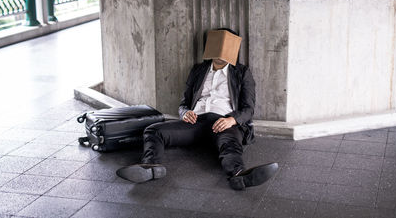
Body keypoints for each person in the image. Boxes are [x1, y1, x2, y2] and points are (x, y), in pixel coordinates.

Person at [116, 28, 278, 190]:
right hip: (195, 121)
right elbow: (183, 103)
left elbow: (249, 109)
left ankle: (239, 175)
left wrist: (232, 120)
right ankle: (150, 167)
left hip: (223, 122)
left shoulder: (242, 72)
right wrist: (185, 113)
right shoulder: (198, 70)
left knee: (230, 145)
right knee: (153, 130)